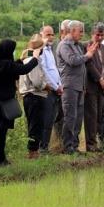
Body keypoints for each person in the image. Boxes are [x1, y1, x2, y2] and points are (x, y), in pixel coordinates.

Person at [0, 39, 40, 166]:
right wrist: (35, 58)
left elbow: (11, 69)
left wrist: (20, 59)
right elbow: (24, 69)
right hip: (3, 101)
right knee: (1, 132)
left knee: (0, 132)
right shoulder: (6, 64)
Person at [56, 20, 97, 154]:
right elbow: (73, 61)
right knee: (70, 117)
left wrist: (84, 86)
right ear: (72, 31)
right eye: (80, 31)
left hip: (79, 87)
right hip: (69, 86)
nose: (82, 34)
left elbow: (82, 65)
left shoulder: (77, 45)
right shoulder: (64, 45)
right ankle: (67, 147)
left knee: (78, 118)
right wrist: (87, 55)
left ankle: (74, 145)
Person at [19, 34, 48, 158]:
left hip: (30, 97)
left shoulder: (26, 59)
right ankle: (33, 152)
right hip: (34, 96)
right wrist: (47, 86)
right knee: (35, 125)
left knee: (33, 124)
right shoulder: (33, 62)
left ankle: (33, 150)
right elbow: (37, 82)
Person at [84, 22, 104, 152]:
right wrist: (100, 79)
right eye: (97, 35)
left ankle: (97, 143)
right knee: (91, 115)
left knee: (100, 115)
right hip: (91, 87)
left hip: (103, 87)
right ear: (92, 34)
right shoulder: (87, 46)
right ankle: (90, 145)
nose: (100, 37)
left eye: (101, 35)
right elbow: (89, 65)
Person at [40, 25, 63, 153]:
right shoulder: (41, 50)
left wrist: (60, 85)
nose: (50, 37)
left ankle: (46, 147)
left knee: (51, 120)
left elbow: (54, 70)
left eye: (52, 34)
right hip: (48, 90)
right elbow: (44, 73)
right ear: (41, 35)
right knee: (46, 120)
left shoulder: (49, 50)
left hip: (56, 89)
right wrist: (56, 86)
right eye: (47, 34)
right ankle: (42, 148)